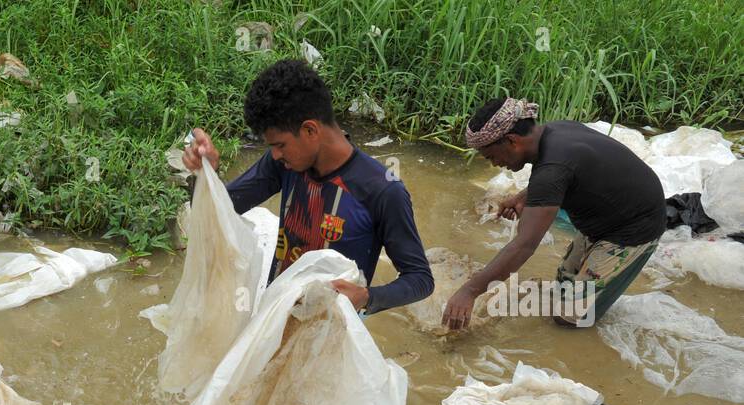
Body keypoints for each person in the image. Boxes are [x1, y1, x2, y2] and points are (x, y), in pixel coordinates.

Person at [182, 58, 433, 316]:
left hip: (332, 333)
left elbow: (420, 279)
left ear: (310, 130)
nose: (276, 155)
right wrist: (205, 175)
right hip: (275, 318)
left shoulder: (382, 190)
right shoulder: (285, 164)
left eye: (280, 145)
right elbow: (222, 212)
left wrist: (367, 297)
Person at [442, 97, 664, 330]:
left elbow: (524, 246)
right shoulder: (556, 130)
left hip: (634, 228)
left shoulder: (552, 170)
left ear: (511, 140)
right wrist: (524, 196)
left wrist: (469, 291)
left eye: (491, 156)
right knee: (561, 290)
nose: (495, 164)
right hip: (608, 215)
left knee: (570, 319)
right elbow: (568, 171)